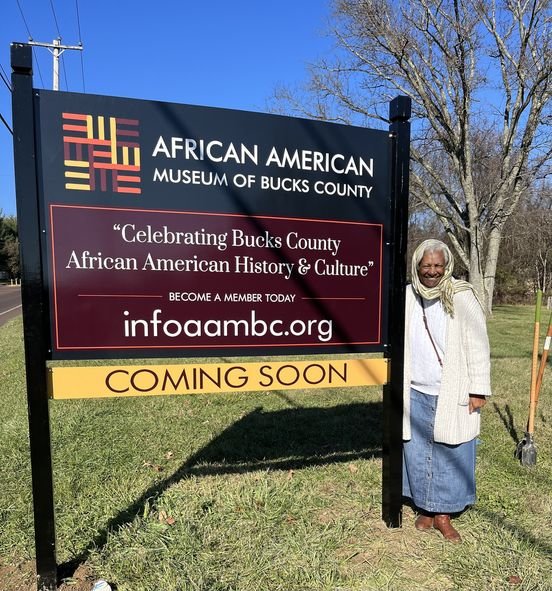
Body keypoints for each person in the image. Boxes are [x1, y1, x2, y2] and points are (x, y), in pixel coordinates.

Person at [402, 239, 491, 542]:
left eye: (438, 266)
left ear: (447, 266)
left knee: (451, 451)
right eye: (426, 265)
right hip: (415, 388)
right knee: (419, 450)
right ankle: (426, 509)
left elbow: (478, 344)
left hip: (452, 389)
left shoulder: (462, 297)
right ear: (417, 266)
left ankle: (444, 515)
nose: (432, 271)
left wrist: (479, 389)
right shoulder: (408, 296)